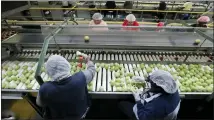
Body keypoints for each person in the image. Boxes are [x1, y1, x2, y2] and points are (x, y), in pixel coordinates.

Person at [36, 53, 96, 120]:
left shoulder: (45, 88)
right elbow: (92, 70)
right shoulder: (80, 78)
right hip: (79, 115)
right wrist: (88, 60)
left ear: (49, 71)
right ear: (66, 64)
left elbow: (40, 103)